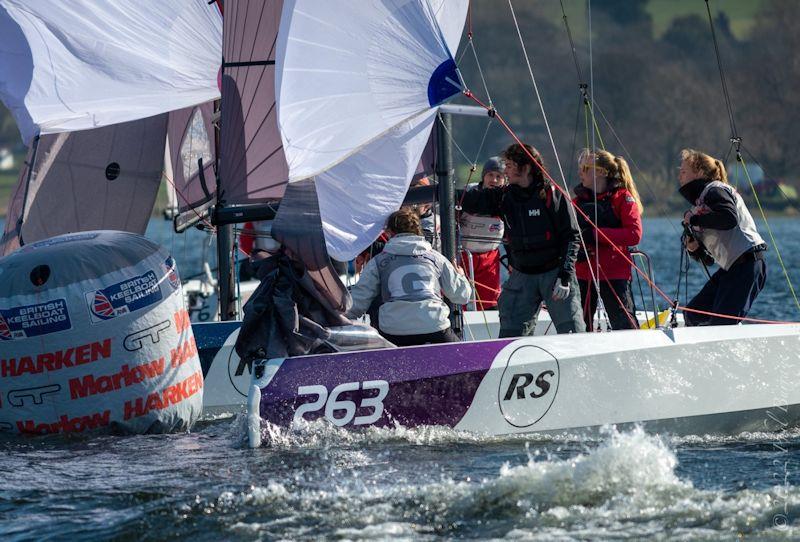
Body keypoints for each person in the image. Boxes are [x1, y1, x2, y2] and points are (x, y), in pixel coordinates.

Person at [460, 143, 585, 336]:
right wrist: (443, 193)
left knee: (572, 332)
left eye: (509, 166)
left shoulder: (553, 195)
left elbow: (572, 237)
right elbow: (471, 200)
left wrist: (565, 276)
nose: (505, 171)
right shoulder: (504, 196)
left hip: (554, 275)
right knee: (510, 333)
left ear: (526, 168)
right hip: (522, 275)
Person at [346, 208, 472, 346]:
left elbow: (359, 301)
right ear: (418, 230)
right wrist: (461, 276)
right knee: (460, 358)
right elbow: (461, 296)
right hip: (434, 325)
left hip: (394, 330)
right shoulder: (437, 259)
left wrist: (339, 319)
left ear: (389, 233)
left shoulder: (378, 262)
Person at [678, 148, 767, 325]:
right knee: (692, 315)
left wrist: (695, 219)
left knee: (722, 324)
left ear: (700, 173)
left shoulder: (715, 190)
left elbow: (729, 218)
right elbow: (709, 260)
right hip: (731, 269)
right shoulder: (701, 203)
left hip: (748, 264)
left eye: (684, 171)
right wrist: (694, 248)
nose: (679, 176)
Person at [573, 149, 643, 330]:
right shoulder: (576, 202)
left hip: (614, 273)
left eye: (586, 168)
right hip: (583, 273)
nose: (580, 172)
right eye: (580, 168)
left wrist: (595, 234)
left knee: (624, 326)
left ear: (601, 172)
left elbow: (634, 235)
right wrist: (578, 249)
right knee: (579, 327)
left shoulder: (622, 198)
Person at [459, 156, 506, 310]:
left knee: (489, 301)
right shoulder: (469, 194)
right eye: (490, 175)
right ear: (483, 176)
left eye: (499, 176)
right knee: (462, 298)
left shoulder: (506, 198)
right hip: (465, 256)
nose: (494, 179)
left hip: (490, 257)